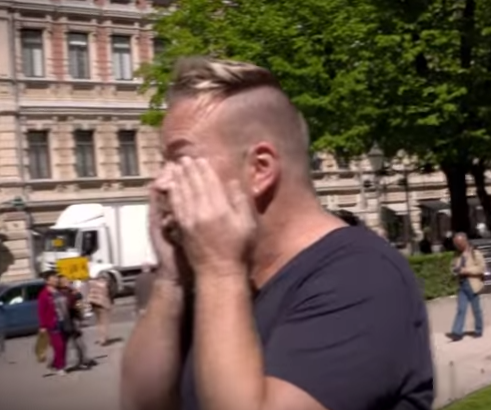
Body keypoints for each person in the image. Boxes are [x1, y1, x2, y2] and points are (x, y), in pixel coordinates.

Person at [121, 57, 434, 410]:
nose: (161, 183)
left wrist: (220, 271)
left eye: (180, 160)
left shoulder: (363, 278)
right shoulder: (214, 284)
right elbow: (141, 403)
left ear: (259, 169)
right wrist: (170, 278)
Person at [447, 232, 487, 341]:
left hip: (473, 284)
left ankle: (478, 330)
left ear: (465, 241)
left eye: (459, 243)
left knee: (476, 310)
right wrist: (454, 271)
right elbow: (452, 266)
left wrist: (466, 270)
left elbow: (482, 268)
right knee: (461, 309)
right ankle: (457, 332)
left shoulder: (475, 253)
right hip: (462, 285)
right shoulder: (456, 254)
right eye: (456, 244)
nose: (457, 246)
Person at [59, 276, 96, 369]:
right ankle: (79, 361)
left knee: (78, 343)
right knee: (76, 343)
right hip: (69, 321)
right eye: (65, 281)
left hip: (73, 320)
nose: (68, 281)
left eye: (68, 280)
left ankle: (82, 360)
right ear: (61, 284)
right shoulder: (62, 294)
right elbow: (70, 303)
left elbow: (79, 298)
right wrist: (75, 294)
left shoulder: (69, 291)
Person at [37, 270, 68, 375]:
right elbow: (41, 311)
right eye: (53, 278)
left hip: (63, 321)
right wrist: (42, 326)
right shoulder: (44, 294)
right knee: (59, 345)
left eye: (56, 277)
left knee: (64, 345)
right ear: (47, 281)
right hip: (53, 323)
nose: (56, 279)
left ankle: (55, 364)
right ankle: (60, 367)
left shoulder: (60, 291)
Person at [88, 273, 113, 346]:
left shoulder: (92, 284)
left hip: (94, 304)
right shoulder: (104, 285)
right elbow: (109, 294)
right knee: (104, 323)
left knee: (98, 323)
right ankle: (103, 339)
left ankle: (100, 338)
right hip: (103, 304)